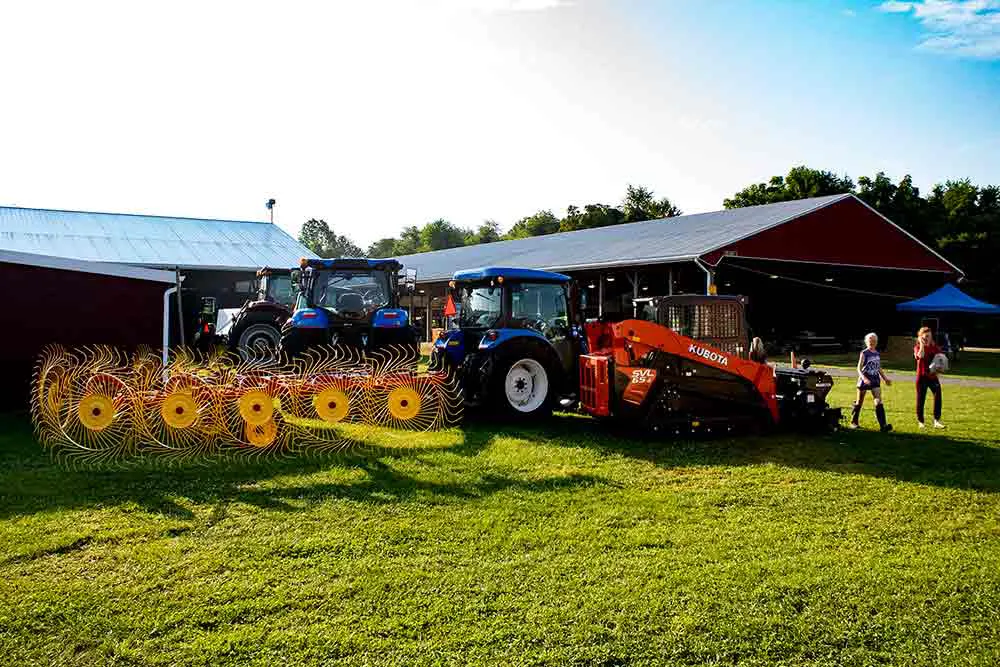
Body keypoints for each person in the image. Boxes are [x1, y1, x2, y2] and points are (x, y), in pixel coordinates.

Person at [850, 332, 893, 432]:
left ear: (876, 342)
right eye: (870, 341)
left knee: (878, 400)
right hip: (864, 380)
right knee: (859, 402)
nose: (872, 343)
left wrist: (885, 378)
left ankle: (883, 425)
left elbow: (878, 367)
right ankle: (854, 422)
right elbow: (858, 368)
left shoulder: (877, 353)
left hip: (875, 380)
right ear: (866, 342)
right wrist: (864, 378)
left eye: (874, 341)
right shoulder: (864, 353)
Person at [914, 326, 945, 429]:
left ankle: (937, 421)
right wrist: (922, 345)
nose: (929, 338)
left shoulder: (934, 346)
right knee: (921, 399)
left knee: (938, 396)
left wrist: (940, 368)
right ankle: (921, 421)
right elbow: (920, 356)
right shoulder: (917, 347)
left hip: (932, 377)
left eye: (930, 336)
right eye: (926, 336)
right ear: (921, 337)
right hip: (922, 377)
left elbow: (941, 359)